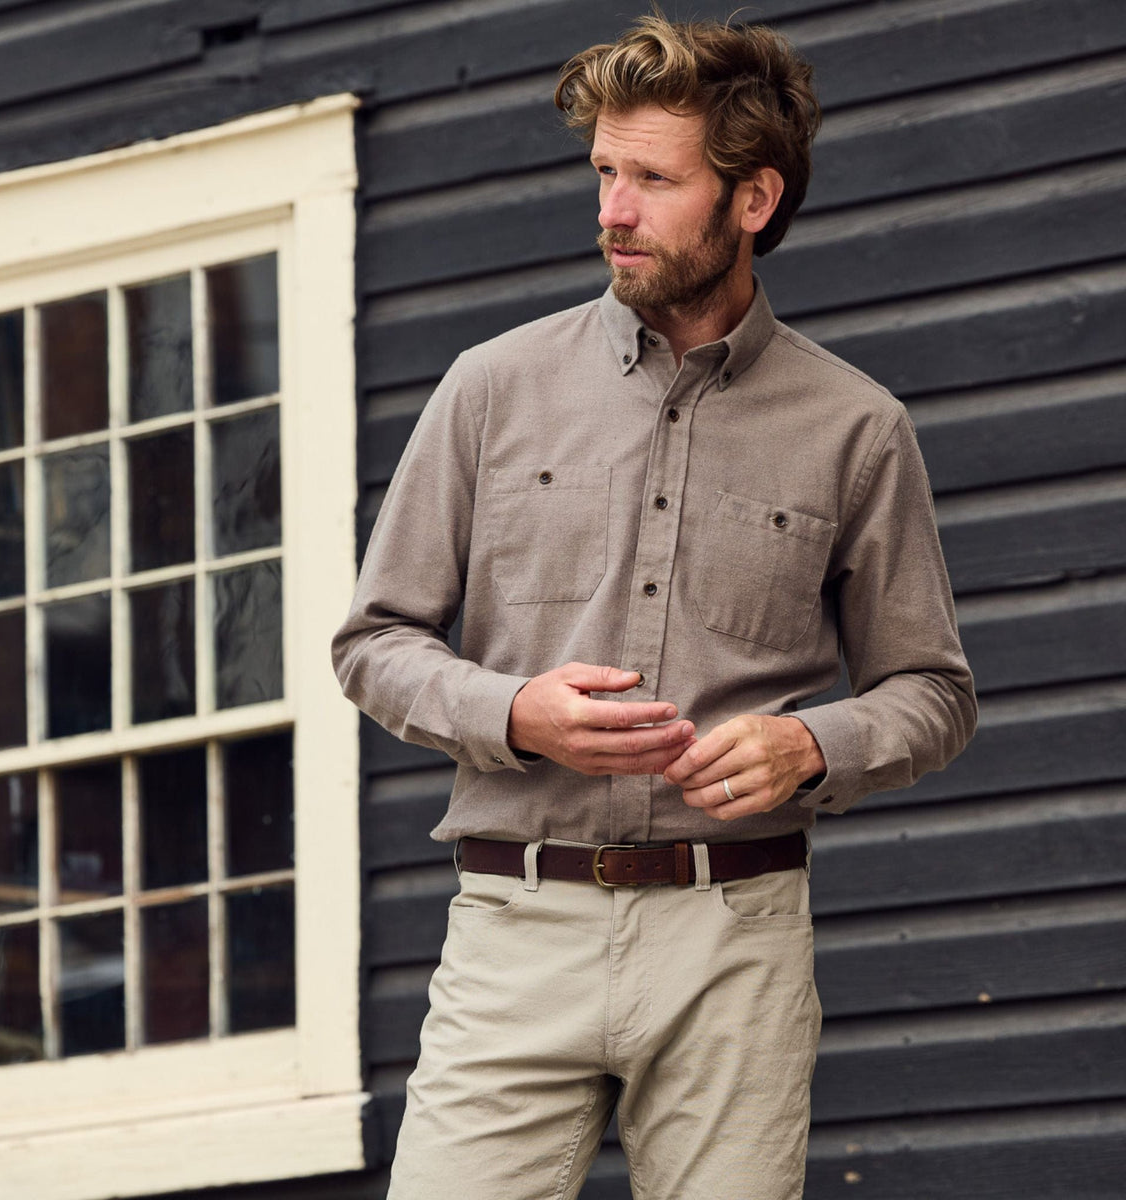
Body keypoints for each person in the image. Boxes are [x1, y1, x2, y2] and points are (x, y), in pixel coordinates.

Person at [333, 14, 977, 1200]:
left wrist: (810, 745)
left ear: (753, 198)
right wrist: (517, 713)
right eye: (605, 173)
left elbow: (933, 692)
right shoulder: (492, 388)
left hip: (736, 939)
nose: (613, 212)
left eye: (653, 180)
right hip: (517, 927)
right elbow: (374, 644)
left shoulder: (856, 427)